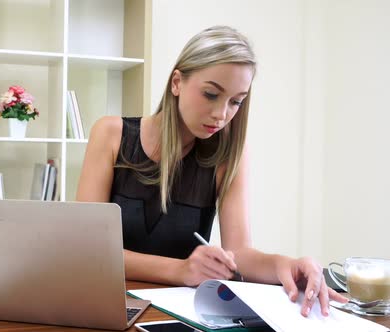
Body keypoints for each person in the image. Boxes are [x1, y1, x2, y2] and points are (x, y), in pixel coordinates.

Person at [76, 25, 347, 317]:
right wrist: (182, 270)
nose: (222, 114)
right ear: (177, 83)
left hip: (179, 315)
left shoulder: (229, 156)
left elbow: (240, 254)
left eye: (236, 102)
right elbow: (88, 250)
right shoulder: (111, 134)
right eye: (210, 94)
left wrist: (286, 265)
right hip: (105, 307)